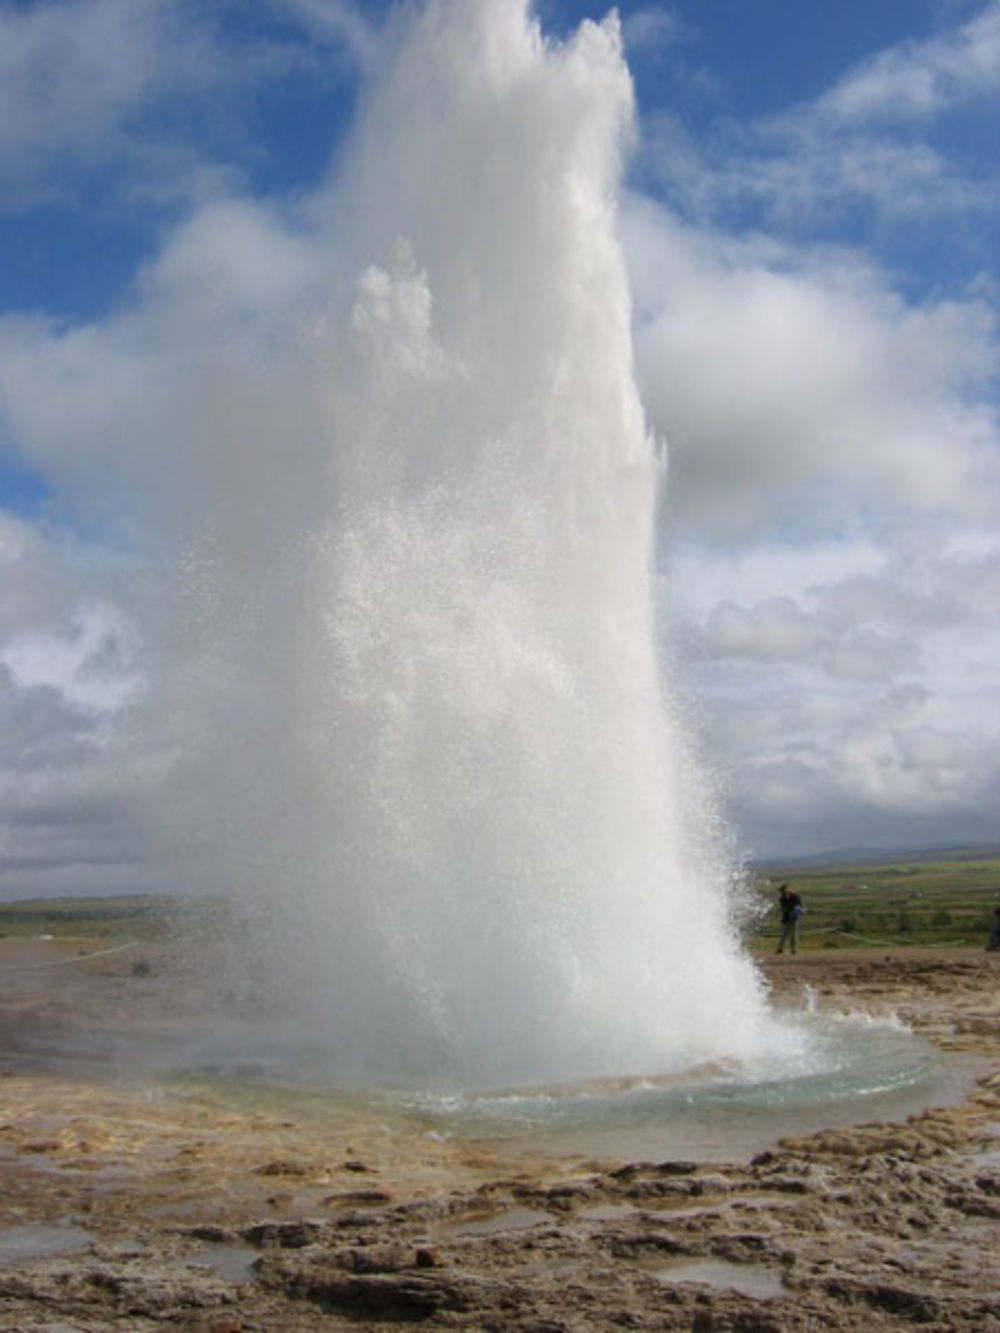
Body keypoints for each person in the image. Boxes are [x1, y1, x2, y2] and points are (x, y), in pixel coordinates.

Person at [776, 883, 804, 955]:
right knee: (784, 934)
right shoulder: (782, 898)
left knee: (793, 934)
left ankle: (793, 949)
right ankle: (780, 948)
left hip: (794, 917)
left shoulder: (795, 896)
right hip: (786, 918)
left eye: (784, 890)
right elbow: (784, 907)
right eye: (783, 891)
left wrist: (796, 911)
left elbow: (799, 905)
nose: (784, 892)